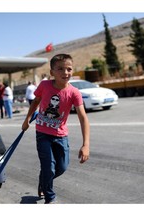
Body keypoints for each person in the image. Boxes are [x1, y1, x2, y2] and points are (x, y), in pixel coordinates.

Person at [21, 54, 90, 204]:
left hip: (61, 135)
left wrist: (86, 144)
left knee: (62, 167)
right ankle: (49, 197)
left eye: (69, 69)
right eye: (60, 69)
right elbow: (36, 102)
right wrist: (27, 119)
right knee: (49, 168)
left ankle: (43, 180)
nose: (65, 72)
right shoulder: (44, 86)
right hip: (43, 133)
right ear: (52, 72)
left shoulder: (74, 93)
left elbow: (83, 117)